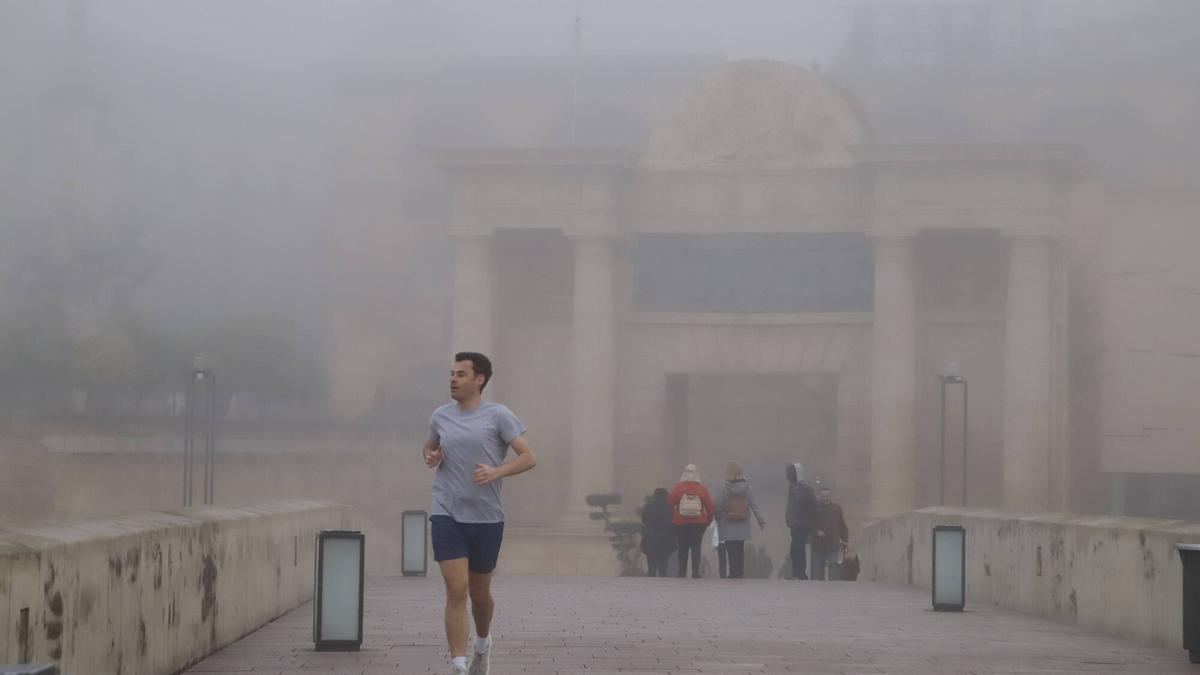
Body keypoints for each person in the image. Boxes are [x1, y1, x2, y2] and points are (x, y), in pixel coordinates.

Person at [423, 352, 536, 675]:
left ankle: (482, 644)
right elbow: (429, 445)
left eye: (460, 374)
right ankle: (459, 663)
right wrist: (431, 456)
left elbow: (528, 457)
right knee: (456, 590)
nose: (453, 379)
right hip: (447, 513)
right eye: (451, 373)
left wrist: (497, 472)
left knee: (480, 594)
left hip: (486, 517)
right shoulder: (440, 415)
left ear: (479, 379)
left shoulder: (499, 416)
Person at [714, 462, 766, 579]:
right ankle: (739, 572)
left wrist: (716, 516)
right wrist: (761, 520)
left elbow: (718, 504)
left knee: (731, 550)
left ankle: (733, 573)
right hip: (742, 523)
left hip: (727, 524)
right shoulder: (748, 487)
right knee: (740, 549)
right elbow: (754, 505)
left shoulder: (724, 487)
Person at [668, 463, 714, 578]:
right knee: (696, 546)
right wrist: (708, 520)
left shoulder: (678, 487)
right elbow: (710, 506)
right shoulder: (702, 489)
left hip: (681, 522)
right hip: (698, 523)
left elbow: (670, 502)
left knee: (682, 547)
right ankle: (695, 571)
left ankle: (682, 570)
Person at [784, 462, 818, 580]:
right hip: (795, 523)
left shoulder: (806, 489)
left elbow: (813, 507)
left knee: (798, 547)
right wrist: (788, 518)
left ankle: (800, 573)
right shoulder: (792, 487)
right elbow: (790, 505)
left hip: (803, 523)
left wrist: (810, 522)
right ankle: (797, 573)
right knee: (794, 548)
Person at [810, 486, 849, 581]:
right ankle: (819, 591)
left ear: (829, 496)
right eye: (823, 496)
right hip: (818, 545)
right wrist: (816, 532)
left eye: (827, 496)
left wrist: (845, 540)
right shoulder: (814, 509)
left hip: (832, 545)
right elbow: (809, 525)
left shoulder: (836, 509)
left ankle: (832, 591)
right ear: (819, 496)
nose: (825, 498)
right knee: (818, 572)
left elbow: (842, 526)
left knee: (833, 569)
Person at [640, 488, 675, 577]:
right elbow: (673, 521)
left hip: (651, 538)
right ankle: (663, 576)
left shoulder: (649, 506)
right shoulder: (670, 507)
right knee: (663, 562)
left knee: (651, 563)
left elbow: (644, 519)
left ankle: (651, 576)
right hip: (666, 538)